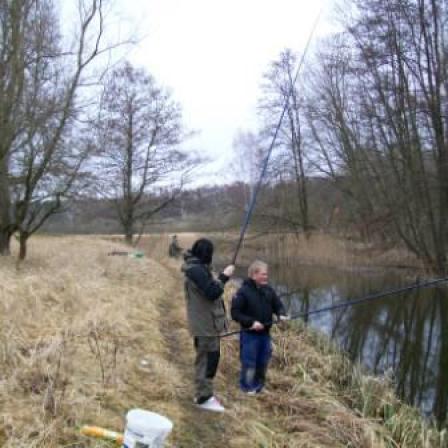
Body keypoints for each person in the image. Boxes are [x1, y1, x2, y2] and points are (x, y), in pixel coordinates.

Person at [182, 238, 235, 412]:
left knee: (210, 358)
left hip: (207, 324)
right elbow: (212, 292)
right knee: (206, 360)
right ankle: (203, 398)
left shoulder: (196, 268)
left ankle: (204, 394)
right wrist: (224, 276)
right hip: (205, 326)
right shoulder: (196, 270)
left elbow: (208, 288)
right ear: (207, 254)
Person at [231, 260, 288, 394]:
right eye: (263, 274)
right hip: (249, 335)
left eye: (266, 274)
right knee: (249, 363)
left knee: (263, 362)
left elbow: (278, 305)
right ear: (254, 275)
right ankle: (247, 387)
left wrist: (281, 314)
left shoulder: (268, 290)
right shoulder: (243, 292)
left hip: (265, 335)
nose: (266, 277)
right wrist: (251, 322)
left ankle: (259, 386)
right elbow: (235, 313)